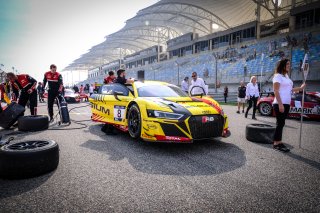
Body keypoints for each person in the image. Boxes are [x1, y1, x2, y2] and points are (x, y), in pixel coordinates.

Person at [272, 59, 305, 152]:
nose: (289, 66)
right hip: (279, 103)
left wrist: (301, 88)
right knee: (280, 124)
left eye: (289, 64)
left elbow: (291, 90)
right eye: (287, 64)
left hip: (286, 103)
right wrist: (280, 104)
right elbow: (276, 91)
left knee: (281, 124)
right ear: (282, 65)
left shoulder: (286, 76)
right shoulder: (278, 76)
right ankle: (276, 144)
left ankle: (278, 142)